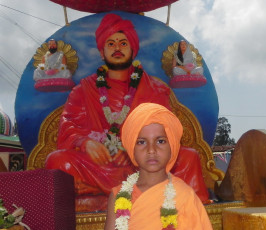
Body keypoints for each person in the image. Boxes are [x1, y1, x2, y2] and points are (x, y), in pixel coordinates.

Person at [45, 14, 209, 212]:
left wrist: (133, 148)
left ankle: (100, 198)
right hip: (101, 163)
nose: (117, 48)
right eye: (111, 43)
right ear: (101, 52)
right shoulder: (83, 90)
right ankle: (134, 197)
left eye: (123, 43)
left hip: (143, 161)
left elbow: (167, 131)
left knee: (188, 158)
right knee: (58, 161)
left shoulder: (155, 89)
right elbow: (68, 126)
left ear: (133, 50)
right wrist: (85, 143)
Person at [104, 103, 213, 230]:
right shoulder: (118, 196)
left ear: (171, 146)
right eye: (141, 142)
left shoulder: (185, 196)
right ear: (131, 148)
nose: (151, 150)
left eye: (160, 141)